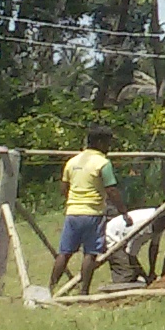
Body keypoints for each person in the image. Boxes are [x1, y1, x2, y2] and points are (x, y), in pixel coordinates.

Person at [50, 125, 123, 297]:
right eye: (108, 143)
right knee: (90, 253)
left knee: (65, 252)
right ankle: (84, 291)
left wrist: (74, 201)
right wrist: (123, 211)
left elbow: (63, 188)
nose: (109, 147)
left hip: (73, 213)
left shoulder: (73, 161)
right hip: (93, 213)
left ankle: (50, 288)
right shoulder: (103, 163)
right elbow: (111, 190)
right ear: (99, 142)